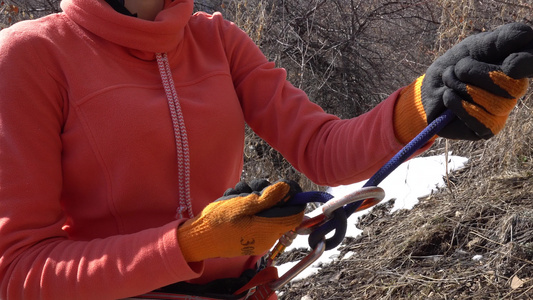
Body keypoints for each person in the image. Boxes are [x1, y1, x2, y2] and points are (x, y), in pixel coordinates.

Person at [0, 0, 532, 299]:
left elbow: (323, 148)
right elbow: (18, 271)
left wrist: (422, 107)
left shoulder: (217, 40)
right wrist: (189, 245)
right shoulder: (31, 56)